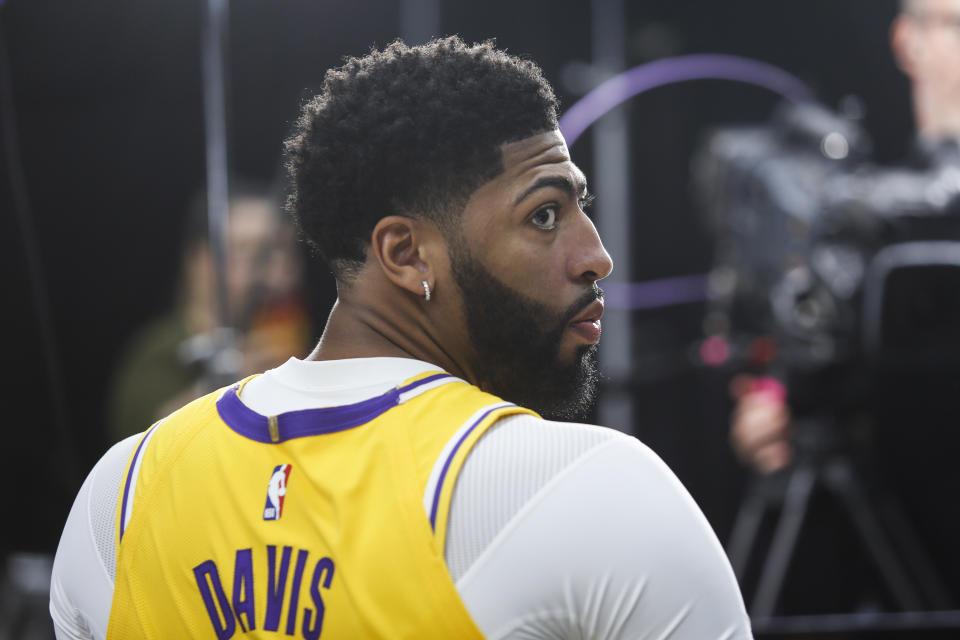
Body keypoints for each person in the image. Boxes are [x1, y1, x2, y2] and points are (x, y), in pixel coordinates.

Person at [51, 37, 751, 639]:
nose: (595, 255)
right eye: (544, 215)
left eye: (580, 209)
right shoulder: (586, 490)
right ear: (407, 254)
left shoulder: (120, 496)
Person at [731, 0, 960, 474]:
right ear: (907, 41)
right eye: (958, 26)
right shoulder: (839, 215)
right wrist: (774, 397)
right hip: (884, 504)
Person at [106, 191, 310, 441]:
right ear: (200, 261)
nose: (280, 272)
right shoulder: (160, 355)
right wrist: (231, 383)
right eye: (252, 253)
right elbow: (144, 446)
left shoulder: (296, 342)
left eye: (287, 252)